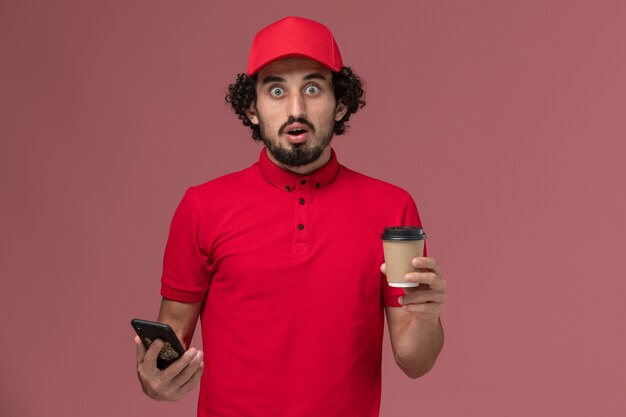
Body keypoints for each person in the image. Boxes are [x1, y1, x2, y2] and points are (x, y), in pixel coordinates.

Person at [134, 16, 446, 417]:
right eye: (276, 90)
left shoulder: (393, 208)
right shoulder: (201, 206)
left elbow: (414, 361)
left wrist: (428, 317)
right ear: (252, 108)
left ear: (341, 104)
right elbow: (169, 345)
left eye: (313, 89)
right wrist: (155, 381)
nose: (295, 109)